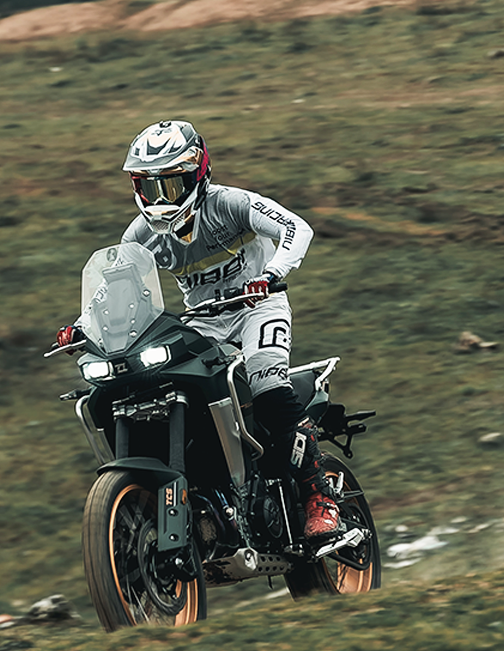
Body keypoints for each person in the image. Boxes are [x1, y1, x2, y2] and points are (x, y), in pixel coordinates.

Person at [56, 119, 340, 538]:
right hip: (202, 321)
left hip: (257, 306)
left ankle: (319, 496)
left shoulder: (230, 204)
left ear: (197, 173)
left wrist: (272, 273)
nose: (160, 199)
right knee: (162, 385)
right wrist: (82, 327)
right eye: (149, 187)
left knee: (266, 382)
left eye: (170, 185)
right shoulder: (140, 234)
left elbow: (296, 228)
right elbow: (112, 287)